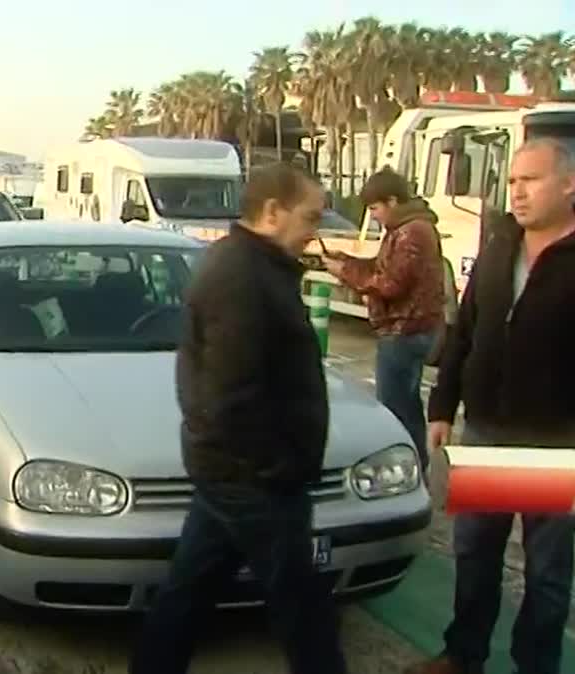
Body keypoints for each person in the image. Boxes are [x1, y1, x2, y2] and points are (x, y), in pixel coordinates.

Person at [130, 163, 346, 674]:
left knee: (188, 594)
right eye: (310, 217)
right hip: (254, 479)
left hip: (232, 473)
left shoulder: (256, 268)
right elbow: (231, 393)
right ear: (272, 213)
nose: (315, 231)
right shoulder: (242, 278)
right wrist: (278, 467)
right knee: (305, 611)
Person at [407, 138, 575, 674]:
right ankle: (463, 655)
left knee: (547, 573)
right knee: (476, 555)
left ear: (569, 184)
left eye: (532, 180)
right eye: (513, 182)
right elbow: (466, 329)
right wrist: (442, 404)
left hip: (556, 441)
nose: (518, 192)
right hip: (486, 431)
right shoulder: (501, 242)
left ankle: (537, 665)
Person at [321, 168, 445, 465]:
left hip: (404, 330)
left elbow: (390, 283)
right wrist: (348, 261)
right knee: (407, 406)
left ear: (392, 201)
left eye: (375, 208)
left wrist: (346, 272)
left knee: (396, 409)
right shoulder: (406, 229)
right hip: (407, 328)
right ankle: (417, 465)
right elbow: (384, 267)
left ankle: (408, 467)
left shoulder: (411, 231)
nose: (374, 216)